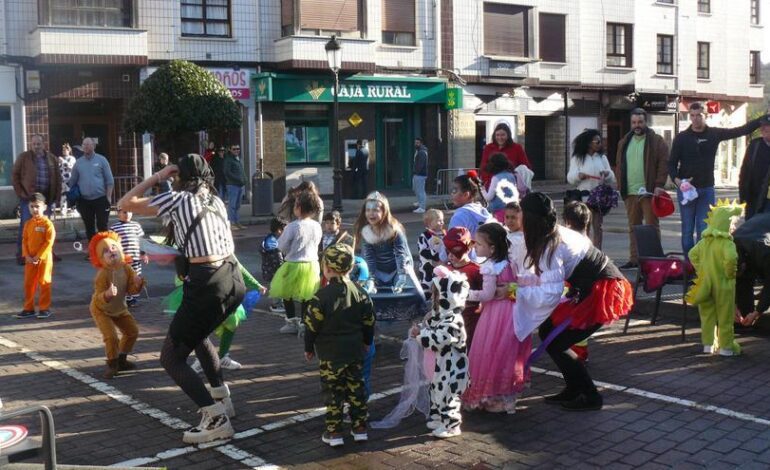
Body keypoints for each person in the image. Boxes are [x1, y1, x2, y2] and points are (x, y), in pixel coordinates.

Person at [118, 153, 244, 444]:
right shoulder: (217, 201)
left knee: (171, 357)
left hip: (207, 282)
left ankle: (215, 418)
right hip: (232, 277)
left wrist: (158, 177)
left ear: (180, 176)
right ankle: (222, 399)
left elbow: (125, 204)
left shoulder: (180, 200)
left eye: (175, 175)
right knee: (197, 336)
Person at [515, 193, 633, 411]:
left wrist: (519, 296)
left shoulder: (551, 243)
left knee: (558, 342)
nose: (516, 215)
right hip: (591, 286)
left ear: (530, 217)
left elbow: (551, 292)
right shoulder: (551, 236)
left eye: (520, 211)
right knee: (549, 332)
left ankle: (591, 396)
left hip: (602, 289)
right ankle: (573, 389)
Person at [355, 192, 427, 397]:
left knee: (415, 298)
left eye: (375, 209)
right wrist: (370, 278)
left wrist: (401, 277)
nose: (371, 213)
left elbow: (402, 255)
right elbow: (368, 258)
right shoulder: (366, 232)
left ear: (384, 211)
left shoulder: (394, 229)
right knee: (366, 300)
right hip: (378, 274)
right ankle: (373, 334)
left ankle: (415, 335)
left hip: (399, 272)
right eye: (368, 210)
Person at [304, 243, 375, 447]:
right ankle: (360, 428)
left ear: (326, 268)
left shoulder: (321, 297)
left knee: (332, 393)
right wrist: (367, 342)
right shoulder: (361, 293)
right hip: (355, 352)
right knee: (356, 390)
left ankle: (334, 432)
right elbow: (369, 322)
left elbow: (311, 326)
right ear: (351, 268)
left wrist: (308, 348)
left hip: (330, 355)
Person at [670, 102, 765, 255]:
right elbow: (671, 163)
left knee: (704, 229)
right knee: (687, 230)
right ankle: (689, 266)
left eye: (699, 115)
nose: (695, 119)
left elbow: (740, 131)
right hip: (687, 191)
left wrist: (762, 120)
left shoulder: (713, 134)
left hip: (706, 189)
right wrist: (677, 180)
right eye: (692, 116)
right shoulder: (682, 138)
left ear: (705, 116)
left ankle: (700, 267)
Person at [462, 223, 528, 414]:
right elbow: (518, 283)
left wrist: (465, 293)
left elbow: (487, 295)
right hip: (512, 311)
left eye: (479, 244)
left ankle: (490, 396)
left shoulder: (490, 267)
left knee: (489, 351)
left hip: (495, 315)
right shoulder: (510, 262)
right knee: (506, 353)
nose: (475, 247)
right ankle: (505, 396)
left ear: (492, 248)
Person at [411, 266, 469, 438]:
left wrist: (420, 335)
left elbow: (437, 339)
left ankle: (452, 425)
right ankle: (439, 418)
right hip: (439, 368)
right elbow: (431, 327)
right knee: (436, 393)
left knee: (447, 397)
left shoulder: (453, 320)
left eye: (437, 295)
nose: (434, 299)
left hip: (451, 370)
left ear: (447, 297)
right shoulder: (440, 315)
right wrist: (421, 327)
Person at [685, 199, 745, 356]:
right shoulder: (727, 244)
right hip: (723, 285)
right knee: (725, 316)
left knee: (707, 316)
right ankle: (726, 347)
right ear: (728, 224)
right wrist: (730, 273)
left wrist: (702, 269)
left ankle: (708, 345)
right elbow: (731, 259)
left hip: (705, 283)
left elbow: (692, 254)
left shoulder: (705, 241)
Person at [615, 108, 669, 269]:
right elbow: (619, 164)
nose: (637, 125)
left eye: (640, 122)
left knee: (651, 226)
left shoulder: (657, 141)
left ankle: (654, 260)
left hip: (649, 192)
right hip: (630, 192)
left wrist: (659, 185)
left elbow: (663, 164)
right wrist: (620, 184)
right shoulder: (624, 142)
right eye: (634, 122)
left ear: (646, 122)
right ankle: (634, 259)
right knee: (633, 227)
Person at [87, 231, 144, 378]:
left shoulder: (127, 268)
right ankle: (112, 364)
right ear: (100, 258)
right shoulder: (102, 274)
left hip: (119, 309)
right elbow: (98, 297)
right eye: (105, 251)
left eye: (113, 247)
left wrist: (138, 284)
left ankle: (122, 359)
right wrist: (107, 294)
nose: (111, 251)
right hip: (101, 310)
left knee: (132, 332)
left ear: (120, 249)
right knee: (111, 337)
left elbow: (131, 290)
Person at [268, 191, 323, 334]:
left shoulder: (292, 226)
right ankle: (305, 323)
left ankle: (291, 322)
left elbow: (281, 246)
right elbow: (317, 243)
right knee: (307, 295)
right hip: (311, 264)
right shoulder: (317, 225)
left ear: (298, 207)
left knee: (287, 293)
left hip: (293, 263)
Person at [12, 134, 62, 266]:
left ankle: (47, 253)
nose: (36, 146)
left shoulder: (51, 158)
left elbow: (58, 178)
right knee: (26, 226)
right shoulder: (24, 157)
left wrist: (56, 197)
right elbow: (15, 175)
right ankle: (22, 254)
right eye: (33, 144)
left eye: (38, 144)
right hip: (29, 198)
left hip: (47, 199)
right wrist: (21, 193)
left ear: (44, 144)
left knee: (46, 227)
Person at [567, 129, 616, 248]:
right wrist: (578, 176)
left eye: (600, 142)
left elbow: (612, 177)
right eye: (597, 142)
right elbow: (570, 178)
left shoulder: (602, 158)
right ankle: (585, 251)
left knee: (598, 226)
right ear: (588, 143)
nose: (599, 144)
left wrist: (607, 173)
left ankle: (598, 252)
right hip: (584, 197)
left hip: (599, 198)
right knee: (584, 225)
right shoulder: (578, 158)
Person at [562, 201, 593, 363]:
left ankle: (577, 354)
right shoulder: (586, 239)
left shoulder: (573, 241)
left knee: (575, 322)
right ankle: (579, 352)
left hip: (575, 287)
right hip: (581, 287)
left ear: (568, 222)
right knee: (578, 322)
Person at [68, 137, 114, 245]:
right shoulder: (78, 163)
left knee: (102, 225)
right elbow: (72, 181)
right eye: (84, 145)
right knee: (89, 227)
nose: (86, 147)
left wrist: (109, 197)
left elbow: (110, 180)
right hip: (84, 201)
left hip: (101, 199)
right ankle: (92, 251)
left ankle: (104, 249)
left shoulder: (102, 160)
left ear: (93, 146)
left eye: (88, 144)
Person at [442, 227, 483, 349]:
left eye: (455, 251)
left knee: (469, 349)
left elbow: (485, 296)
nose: (450, 256)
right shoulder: (446, 269)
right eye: (447, 251)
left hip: (471, 320)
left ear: (468, 248)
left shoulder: (476, 270)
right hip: (450, 319)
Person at [17, 193, 56, 319]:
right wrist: (26, 255)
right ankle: (29, 308)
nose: (34, 209)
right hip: (30, 260)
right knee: (29, 283)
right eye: (32, 206)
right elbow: (24, 240)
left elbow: (48, 242)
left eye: (37, 206)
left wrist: (38, 256)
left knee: (44, 282)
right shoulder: (28, 224)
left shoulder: (47, 224)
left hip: (44, 259)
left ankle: (44, 308)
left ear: (44, 207)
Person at [441, 171, 494, 262]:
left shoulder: (460, 215)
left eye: (455, 191)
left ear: (466, 194)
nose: (452, 194)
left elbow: (451, 243)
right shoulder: (483, 211)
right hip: (484, 261)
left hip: (463, 263)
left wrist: (441, 260)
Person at [734, 212, 770, 327]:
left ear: (743, 265)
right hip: (754, 234)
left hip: (762, 244)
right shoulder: (729, 247)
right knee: (742, 281)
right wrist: (732, 306)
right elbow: (727, 281)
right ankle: (744, 316)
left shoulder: (765, 253)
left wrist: (757, 312)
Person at [110, 207, 148, 307]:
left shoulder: (136, 225)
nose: (128, 214)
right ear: (118, 213)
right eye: (125, 212)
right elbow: (111, 243)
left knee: (136, 278)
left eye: (130, 212)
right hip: (123, 260)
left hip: (136, 258)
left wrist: (143, 254)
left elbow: (141, 241)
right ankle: (126, 298)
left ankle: (133, 297)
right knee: (123, 279)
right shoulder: (114, 227)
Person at [479, 123, 531, 189]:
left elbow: (526, 167)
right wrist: (487, 182)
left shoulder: (517, 148)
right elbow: (483, 167)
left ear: (508, 135)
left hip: (511, 185)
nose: (500, 138)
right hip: (491, 184)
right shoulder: (488, 148)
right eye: (497, 135)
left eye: (503, 135)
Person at [738, 115, 770, 220]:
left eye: (767, 126)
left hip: (768, 202)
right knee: (751, 232)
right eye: (762, 126)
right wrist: (742, 195)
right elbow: (744, 171)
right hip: (753, 199)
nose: (764, 128)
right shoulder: (754, 145)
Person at [482, 153, 519, 222]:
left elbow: (489, 197)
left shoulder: (496, 178)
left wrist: (483, 190)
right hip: (512, 209)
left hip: (499, 211)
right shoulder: (511, 175)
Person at [416, 209, 445, 298]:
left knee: (442, 284)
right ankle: (426, 298)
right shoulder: (425, 236)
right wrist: (437, 256)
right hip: (427, 267)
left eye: (442, 220)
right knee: (427, 283)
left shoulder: (444, 234)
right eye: (439, 220)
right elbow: (423, 251)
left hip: (442, 265)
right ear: (429, 223)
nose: (442, 222)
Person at [262, 217, 288, 313]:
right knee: (277, 287)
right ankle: (276, 305)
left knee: (275, 286)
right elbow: (278, 259)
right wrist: (283, 268)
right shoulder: (273, 243)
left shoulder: (270, 238)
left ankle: (278, 303)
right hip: (274, 270)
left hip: (269, 269)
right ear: (279, 230)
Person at [223, 144, 246, 230]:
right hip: (232, 185)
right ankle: (231, 223)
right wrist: (238, 179)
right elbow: (227, 172)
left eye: (238, 149)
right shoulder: (228, 160)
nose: (236, 150)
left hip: (239, 185)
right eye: (234, 149)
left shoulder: (238, 159)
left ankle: (237, 222)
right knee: (232, 205)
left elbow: (241, 172)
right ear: (230, 150)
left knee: (237, 205)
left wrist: (244, 179)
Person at [59, 143, 77, 216]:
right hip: (63, 180)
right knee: (63, 196)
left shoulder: (72, 158)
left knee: (72, 195)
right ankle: (63, 210)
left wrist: (63, 162)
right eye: (63, 150)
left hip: (70, 180)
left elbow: (71, 167)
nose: (64, 151)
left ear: (69, 150)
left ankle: (73, 209)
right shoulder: (60, 159)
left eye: (65, 150)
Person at [413, 137, 429, 213]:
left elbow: (421, 164)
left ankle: (422, 207)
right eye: (415, 142)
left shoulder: (422, 152)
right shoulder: (419, 151)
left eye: (418, 143)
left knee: (420, 191)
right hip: (418, 174)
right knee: (416, 189)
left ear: (421, 143)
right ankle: (420, 202)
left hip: (420, 174)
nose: (416, 144)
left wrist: (417, 171)